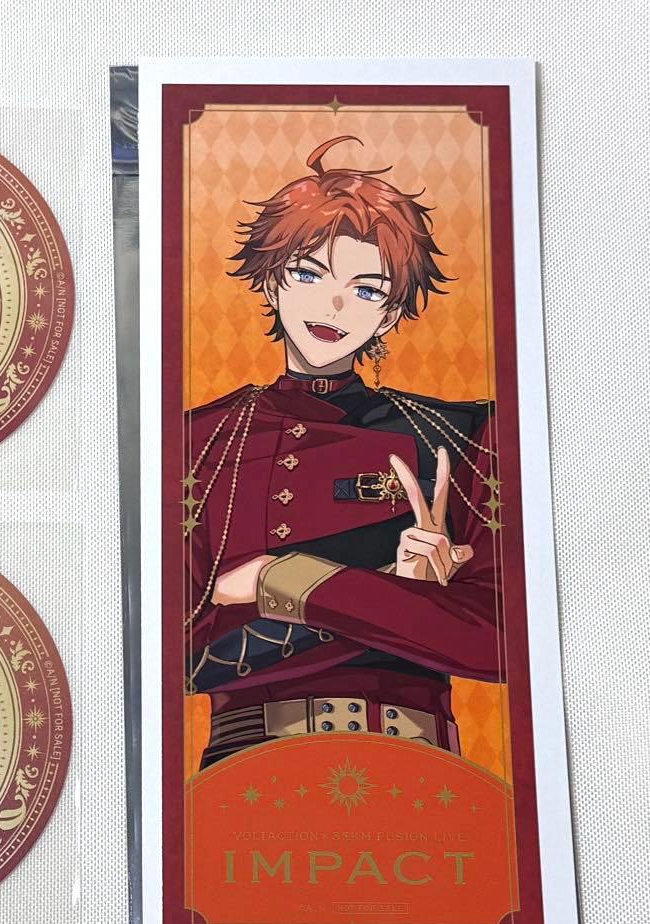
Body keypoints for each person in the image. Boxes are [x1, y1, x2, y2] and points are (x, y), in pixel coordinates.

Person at [186, 135, 502, 769]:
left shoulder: (461, 433)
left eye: (367, 289)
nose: (333, 305)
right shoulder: (199, 439)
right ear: (271, 281)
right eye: (308, 274)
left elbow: (502, 640)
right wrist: (399, 599)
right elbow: (170, 652)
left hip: (418, 762)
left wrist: (276, 580)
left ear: (390, 314)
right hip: (245, 765)